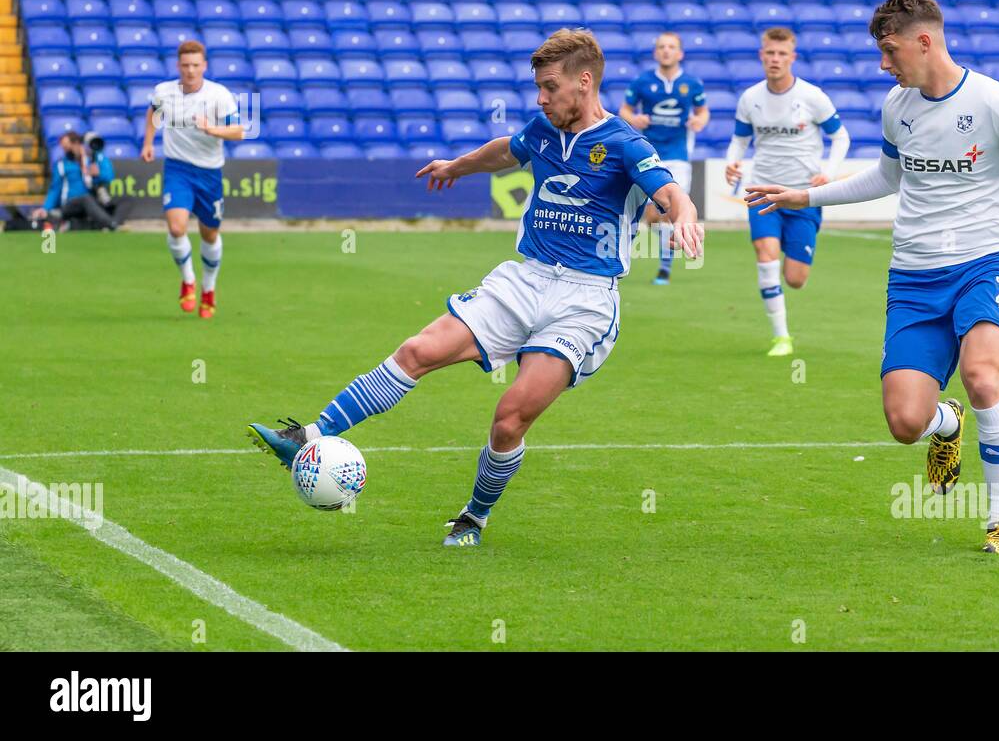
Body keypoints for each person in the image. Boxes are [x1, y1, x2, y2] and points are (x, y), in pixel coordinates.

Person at [247, 30, 704, 548]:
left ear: (584, 81)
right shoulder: (543, 129)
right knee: (417, 350)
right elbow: (504, 151)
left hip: (583, 300)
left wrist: (684, 216)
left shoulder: (624, 143)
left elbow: (669, 190)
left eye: (549, 87)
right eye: (537, 87)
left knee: (509, 419)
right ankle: (308, 436)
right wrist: (456, 167)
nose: (540, 97)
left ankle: (474, 517)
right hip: (524, 277)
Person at [744, 0, 999, 554]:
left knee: (985, 377)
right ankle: (945, 425)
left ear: (924, 41)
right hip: (912, 277)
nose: (885, 63)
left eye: (890, 50)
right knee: (905, 422)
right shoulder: (897, 105)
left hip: (983, 265)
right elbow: (884, 179)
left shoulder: (995, 101)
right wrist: (804, 196)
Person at [724, 26, 850, 357]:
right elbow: (739, 139)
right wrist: (732, 161)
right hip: (762, 191)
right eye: (770, 53)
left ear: (792, 57)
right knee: (765, 255)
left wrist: (829, 173)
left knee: (795, 278)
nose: (775, 59)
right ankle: (781, 337)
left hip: (804, 196)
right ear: (761, 56)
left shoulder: (812, 96)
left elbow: (841, 137)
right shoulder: (750, 98)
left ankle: (792, 262)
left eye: (782, 54)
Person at [141, 40, 245, 319]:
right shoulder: (164, 91)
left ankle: (208, 289)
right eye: (185, 65)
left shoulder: (218, 95)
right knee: (177, 228)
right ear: (178, 66)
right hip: (177, 169)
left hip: (209, 172)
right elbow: (153, 113)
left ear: (204, 66)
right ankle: (188, 280)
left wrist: (212, 129)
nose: (190, 71)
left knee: (209, 234)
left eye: (195, 65)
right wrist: (148, 142)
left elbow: (238, 132)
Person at [618, 31, 709, 284]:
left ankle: (664, 269)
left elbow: (703, 111)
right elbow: (624, 110)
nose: (666, 51)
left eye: (671, 47)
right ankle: (656, 253)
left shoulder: (692, 84)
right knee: (652, 216)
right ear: (656, 52)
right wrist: (633, 118)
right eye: (662, 47)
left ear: (680, 53)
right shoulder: (642, 82)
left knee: (672, 210)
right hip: (648, 155)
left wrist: (699, 120)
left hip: (678, 156)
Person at [31, 131, 117, 231]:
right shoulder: (62, 165)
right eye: (65, 149)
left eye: (69, 147)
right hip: (69, 204)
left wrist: (98, 175)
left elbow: (110, 177)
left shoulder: (93, 160)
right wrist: (45, 208)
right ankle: (111, 224)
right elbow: (55, 189)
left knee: (107, 201)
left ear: (77, 144)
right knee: (85, 199)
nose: (68, 151)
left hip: (90, 204)